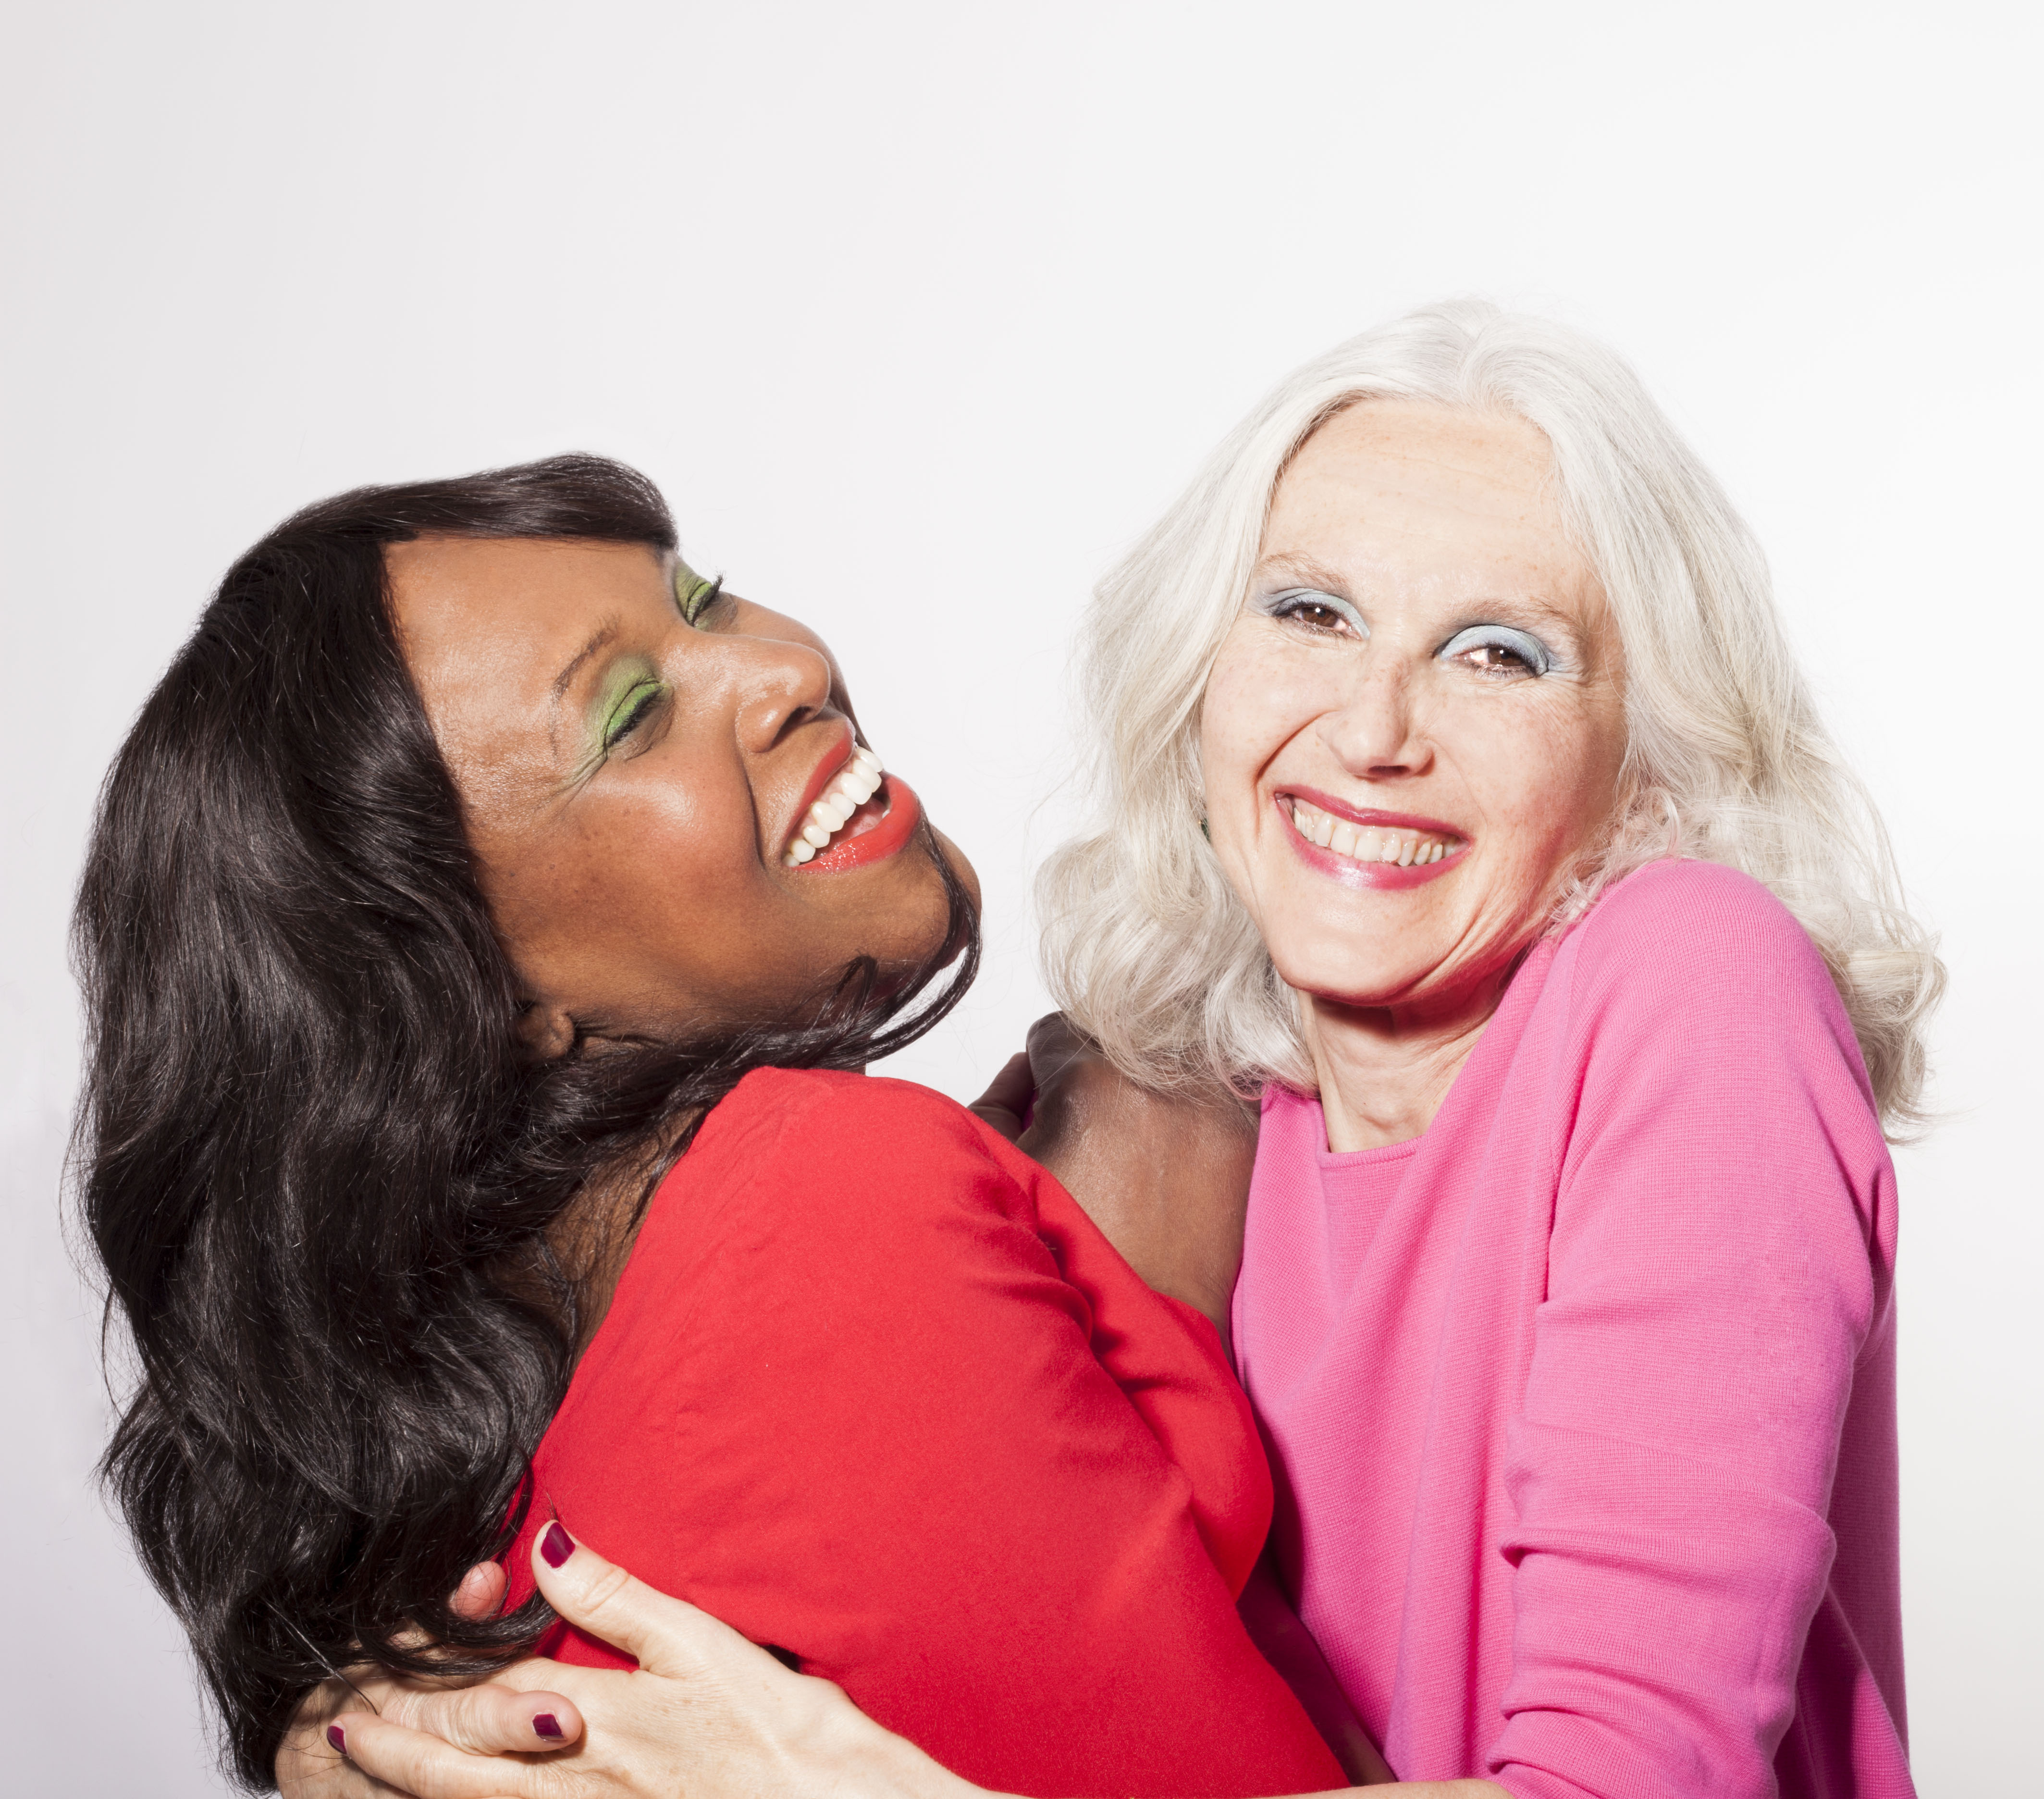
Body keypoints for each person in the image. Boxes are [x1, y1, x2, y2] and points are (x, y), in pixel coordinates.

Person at [290, 303, 1943, 1799]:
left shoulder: (1693, 984)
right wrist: (374, 1729)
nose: (1374, 730)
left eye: (1501, 652)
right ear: (1202, 674)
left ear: (1647, 762)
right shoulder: (1187, 1120)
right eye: (1310, 612)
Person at [76, 457, 1347, 1798]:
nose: (778, 670)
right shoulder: (818, 1221)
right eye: (630, 719)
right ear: (492, 999)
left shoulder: (603, 1383)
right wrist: (1151, 1217)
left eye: (707, 602)